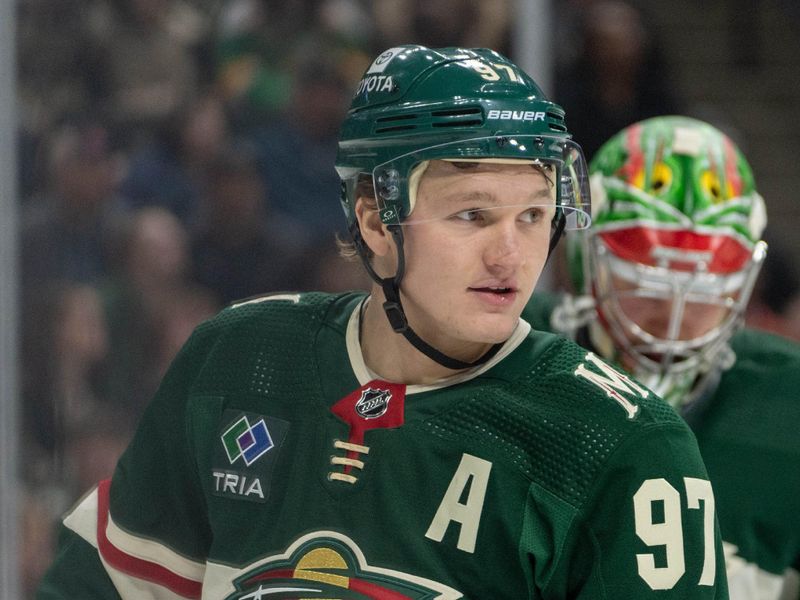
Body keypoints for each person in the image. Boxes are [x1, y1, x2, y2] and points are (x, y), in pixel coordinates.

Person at [38, 46, 727, 598]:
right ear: (374, 219)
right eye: (472, 215)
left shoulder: (619, 447)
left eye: (533, 214)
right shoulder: (241, 359)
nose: (511, 253)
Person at [523, 115, 800, 599]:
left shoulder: (785, 397)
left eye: (706, 288)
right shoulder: (508, 352)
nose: (675, 311)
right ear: (587, 256)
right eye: (648, 280)